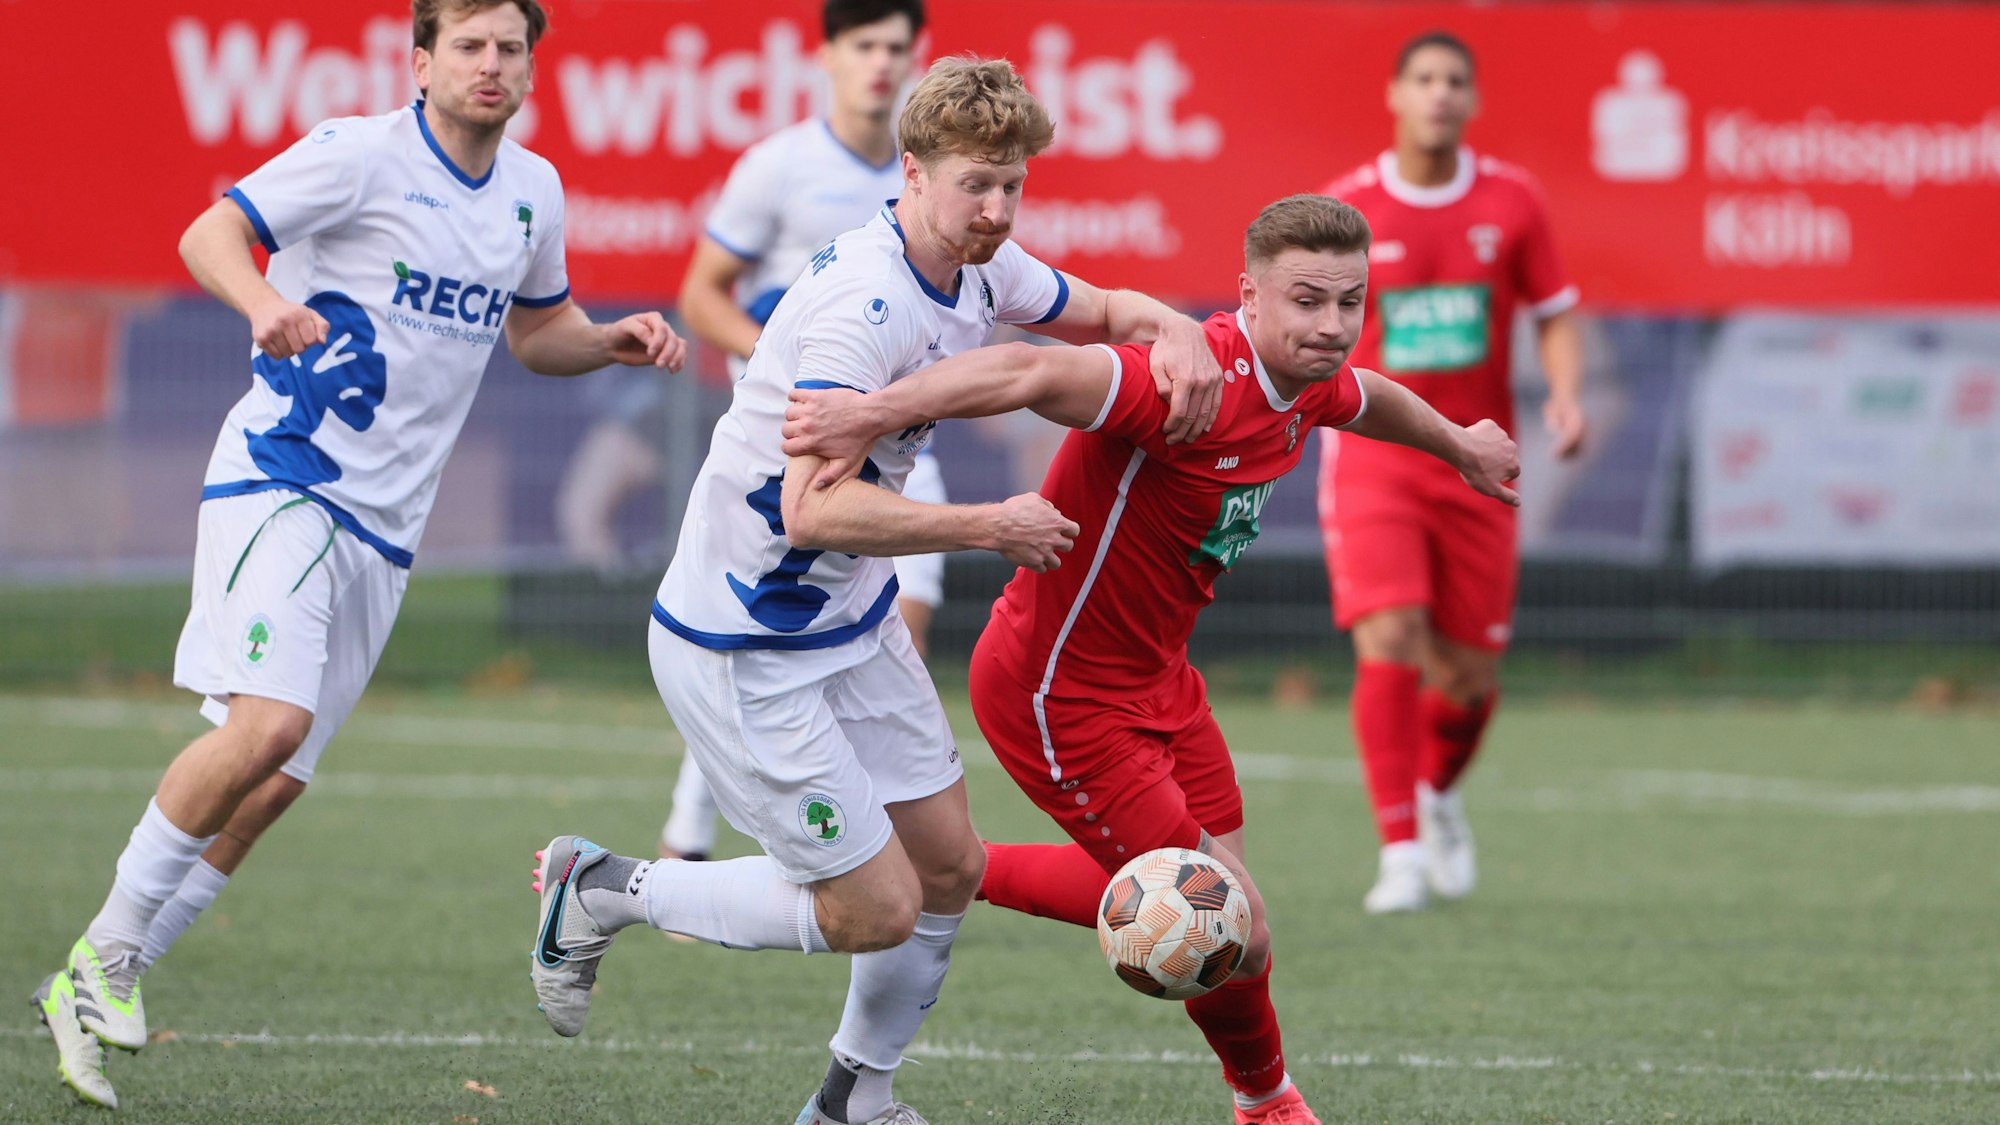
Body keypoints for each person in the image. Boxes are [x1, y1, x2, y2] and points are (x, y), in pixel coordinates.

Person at [526, 57, 1222, 1125]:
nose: (994, 210)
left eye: (1011, 186)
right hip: (745, 642)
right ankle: (604, 888)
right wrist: (984, 525)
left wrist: (1173, 327)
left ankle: (857, 1100)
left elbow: (1099, 307)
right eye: (973, 186)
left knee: (948, 869)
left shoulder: (980, 263)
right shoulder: (863, 304)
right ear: (912, 171)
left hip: (845, 622)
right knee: (876, 908)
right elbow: (810, 512)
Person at [27, 0, 687, 1109]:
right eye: (467, 46)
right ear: (421, 61)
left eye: (509, 48)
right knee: (267, 724)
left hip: (386, 526)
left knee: (274, 782)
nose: (490, 65)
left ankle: (116, 964)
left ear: (531, 67)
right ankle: (100, 959)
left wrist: (608, 339)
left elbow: (537, 334)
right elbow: (209, 235)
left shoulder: (532, 190)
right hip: (285, 475)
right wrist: (264, 300)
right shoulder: (356, 153)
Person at [778, 193, 1520, 1125]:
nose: (1332, 326)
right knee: (1231, 923)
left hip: (1160, 683)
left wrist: (1458, 446)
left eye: (1349, 301)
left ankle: (955, 869)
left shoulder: (1304, 380)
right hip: (1059, 693)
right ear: (1250, 296)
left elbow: (1368, 398)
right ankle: (1270, 1103)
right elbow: (1022, 369)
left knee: (1220, 915)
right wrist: (865, 415)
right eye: (1307, 301)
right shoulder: (1187, 385)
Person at [1317, 30, 1586, 914]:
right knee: (1389, 634)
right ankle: (1398, 850)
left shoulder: (1513, 200)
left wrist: (1567, 398)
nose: (1438, 94)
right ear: (1394, 94)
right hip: (1377, 455)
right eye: (1423, 79)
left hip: (1478, 459)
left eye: (1454, 82)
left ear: (1471, 100)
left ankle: (1435, 794)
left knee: (1468, 674)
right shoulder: (1347, 209)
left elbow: (1553, 313)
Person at [659, 0, 931, 866]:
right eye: (865, 46)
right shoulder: (778, 167)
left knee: (901, 628)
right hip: (797, 443)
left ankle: (870, 840)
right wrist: (773, 358)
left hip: (899, 442)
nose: (882, 63)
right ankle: (690, 831)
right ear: (826, 56)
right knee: (762, 635)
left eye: (898, 47)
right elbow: (701, 293)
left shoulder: (928, 173)